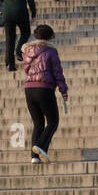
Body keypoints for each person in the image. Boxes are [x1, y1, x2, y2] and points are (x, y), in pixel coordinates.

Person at [22, 23, 68, 163]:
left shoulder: (28, 51)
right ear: (49, 37)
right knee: (53, 121)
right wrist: (63, 90)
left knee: (38, 122)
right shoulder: (51, 51)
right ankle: (40, 146)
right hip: (44, 89)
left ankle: (35, 157)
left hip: (29, 89)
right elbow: (57, 72)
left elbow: (26, 69)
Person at [0, 0, 37, 71]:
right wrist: (33, 13)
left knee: (9, 39)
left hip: (7, 13)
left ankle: (9, 64)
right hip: (21, 12)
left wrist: (7, 2)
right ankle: (19, 49)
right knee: (25, 32)